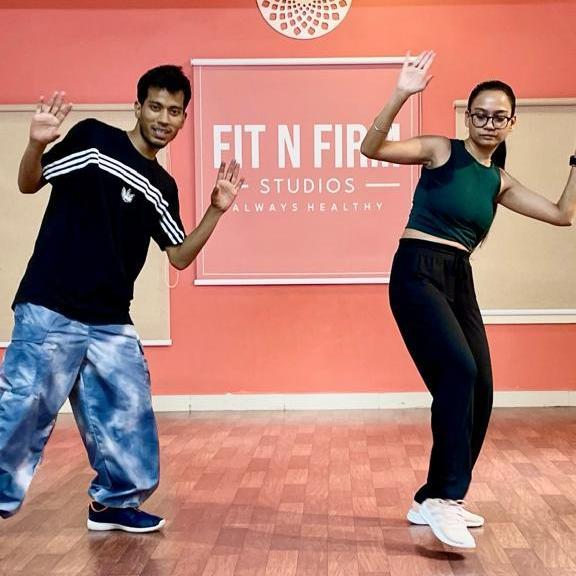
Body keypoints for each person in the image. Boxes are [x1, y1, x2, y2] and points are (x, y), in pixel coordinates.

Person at [0, 65, 244, 532]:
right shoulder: (93, 141)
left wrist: (216, 210)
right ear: (138, 107)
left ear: (183, 119)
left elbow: (179, 256)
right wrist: (35, 144)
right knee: (22, 409)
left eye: (174, 111)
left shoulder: (162, 186)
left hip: (111, 318)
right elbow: (29, 183)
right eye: (156, 107)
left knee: (127, 414)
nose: (164, 119)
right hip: (50, 304)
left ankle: (113, 504)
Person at [361, 50, 576, 549]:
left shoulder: (498, 181)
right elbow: (372, 148)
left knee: (482, 388)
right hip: (417, 269)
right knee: (458, 371)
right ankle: (445, 498)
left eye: (499, 117)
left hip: (459, 276)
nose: (488, 124)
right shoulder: (441, 150)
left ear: (511, 122)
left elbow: (562, 214)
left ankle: (431, 497)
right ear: (468, 118)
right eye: (480, 115)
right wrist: (401, 93)